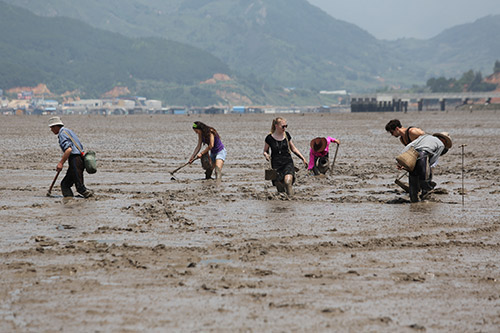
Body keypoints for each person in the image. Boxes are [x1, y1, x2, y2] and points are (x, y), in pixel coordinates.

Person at [398, 132, 452, 202]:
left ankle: (413, 201)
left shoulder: (424, 137)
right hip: (423, 156)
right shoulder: (441, 145)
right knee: (424, 180)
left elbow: (410, 145)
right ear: (444, 140)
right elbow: (433, 160)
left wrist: (401, 160)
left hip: (412, 155)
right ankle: (425, 200)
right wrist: (427, 167)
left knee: (413, 179)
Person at [48, 116, 93, 198]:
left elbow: (68, 150)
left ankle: (91, 200)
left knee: (80, 188)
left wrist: (61, 163)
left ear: (56, 126)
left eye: (52, 128)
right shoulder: (68, 131)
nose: (51, 130)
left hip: (75, 160)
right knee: (65, 184)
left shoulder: (62, 134)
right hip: (79, 159)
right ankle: (69, 201)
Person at [263, 117, 307, 195]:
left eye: (286, 126)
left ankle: (291, 200)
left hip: (287, 163)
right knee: (280, 189)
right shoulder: (269, 138)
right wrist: (266, 155)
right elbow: (265, 151)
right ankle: (281, 205)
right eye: (283, 126)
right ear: (276, 125)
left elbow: (293, 148)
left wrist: (302, 158)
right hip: (276, 165)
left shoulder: (287, 135)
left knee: (287, 182)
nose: (285, 128)